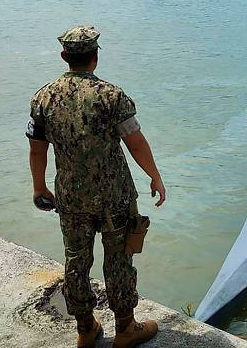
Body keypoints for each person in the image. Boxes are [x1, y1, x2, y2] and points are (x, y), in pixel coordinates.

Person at [26, 26, 165, 348]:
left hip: (71, 196)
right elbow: (135, 142)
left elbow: (37, 149)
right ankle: (126, 328)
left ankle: (86, 329)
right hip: (114, 196)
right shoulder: (111, 96)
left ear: (64, 57)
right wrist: (155, 176)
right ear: (96, 57)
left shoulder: (43, 97)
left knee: (76, 258)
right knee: (118, 258)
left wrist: (39, 187)